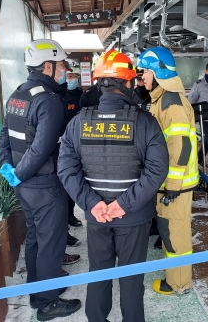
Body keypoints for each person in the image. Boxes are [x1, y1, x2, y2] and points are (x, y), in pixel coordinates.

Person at [58, 49, 169, 322]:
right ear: (128, 83)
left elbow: (66, 169)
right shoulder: (145, 123)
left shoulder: (77, 123)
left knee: (99, 273)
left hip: (97, 218)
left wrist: (92, 204)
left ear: (99, 84)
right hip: (134, 217)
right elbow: (157, 170)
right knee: (131, 279)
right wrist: (123, 205)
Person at [0, 39, 81, 321]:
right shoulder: (49, 100)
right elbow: (42, 148)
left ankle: (37, 290)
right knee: (51, 243)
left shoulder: (18, 94)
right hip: (44, 185)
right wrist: (19, 174)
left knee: (36, 237)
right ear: (48, 66)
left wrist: (9, 168)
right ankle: (47, 304)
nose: (64, 71)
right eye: (61, 66)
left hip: (24, 185)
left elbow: (4, 135)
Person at [137, 47, 199, 296]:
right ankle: (174, 276)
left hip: (176, 187)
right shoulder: (161, 99)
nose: (142, 77)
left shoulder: (171, 103)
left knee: (176, 235)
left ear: (159, 72)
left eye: (146, 72)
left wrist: (172, 187)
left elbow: (180, 148)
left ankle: (179, 284)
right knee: (169, 230)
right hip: (168, 185)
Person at [63, 65, 84, 229]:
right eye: (69, 76)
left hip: (82, 142)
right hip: (66, 143)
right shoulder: (62, 96)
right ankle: (68, 215)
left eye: (74, 77)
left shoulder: (82, 96)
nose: (71, 79)